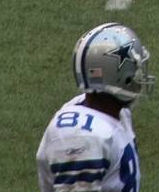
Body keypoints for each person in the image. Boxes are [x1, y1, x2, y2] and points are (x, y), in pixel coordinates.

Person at [36, 22, 152, 191]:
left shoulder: (115, 112)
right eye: (135, 69)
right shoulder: (83, 136)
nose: (139, 75)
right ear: (117, 76)